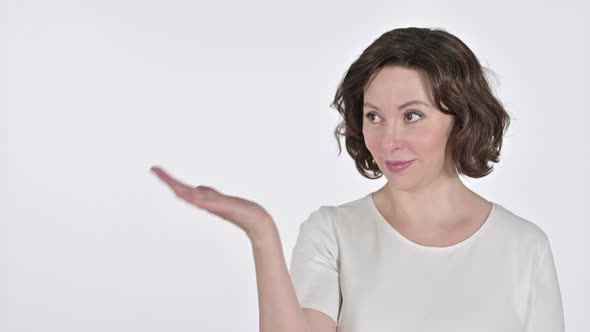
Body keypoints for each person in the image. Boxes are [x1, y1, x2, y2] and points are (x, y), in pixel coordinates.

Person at [150, 26, 565, 332]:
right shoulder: (333, 232)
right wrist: (261, 232)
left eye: (412, 115)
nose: (389, 140)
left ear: (461, 120)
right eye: (374, 117)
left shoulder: (523, 247)